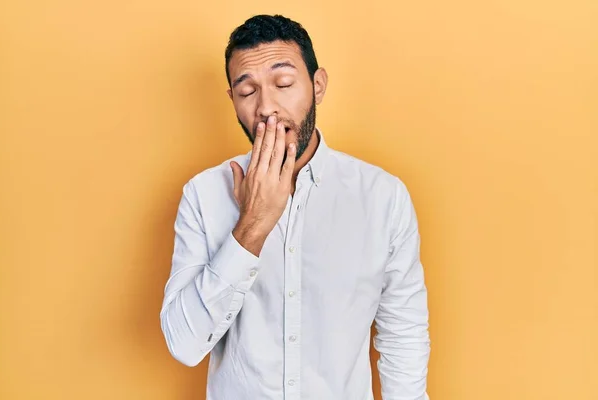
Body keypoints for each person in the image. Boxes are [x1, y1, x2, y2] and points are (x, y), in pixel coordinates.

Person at [160, 14, 431, 400]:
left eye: (283, 83)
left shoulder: (382, 197)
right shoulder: (203, 195)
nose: (267, 107)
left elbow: (402, 335)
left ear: (317, 86)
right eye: (247, 91)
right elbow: (184, 345)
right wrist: (251, 227)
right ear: (232, 100)